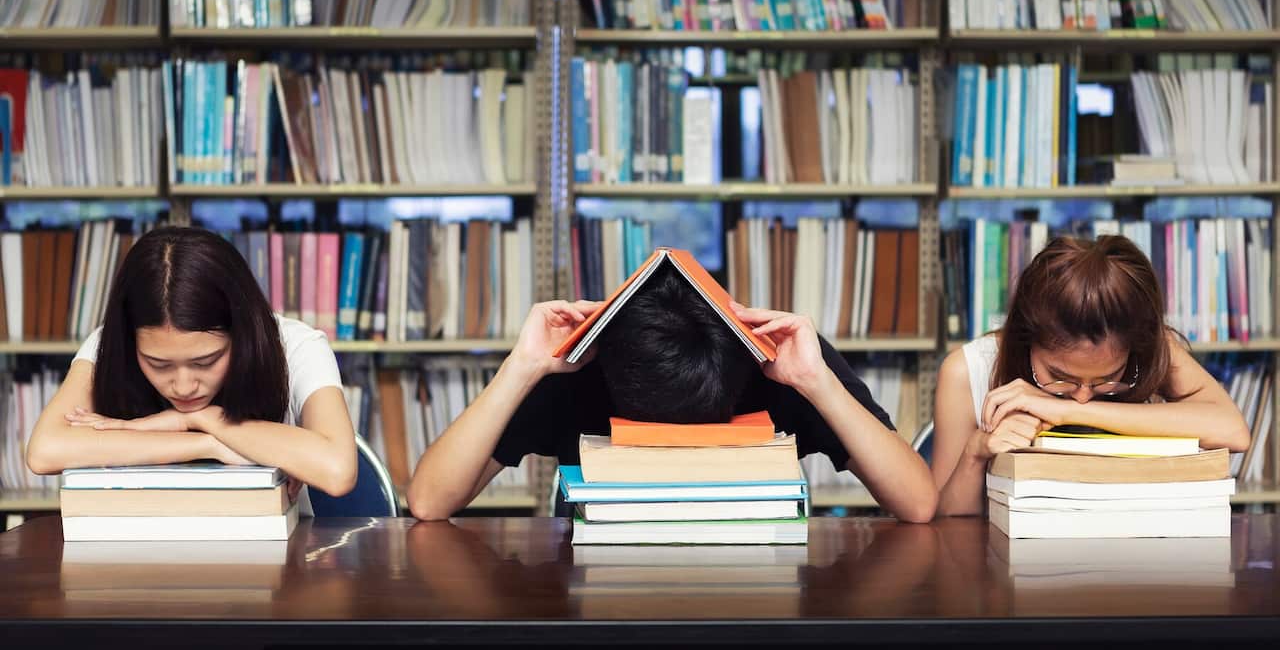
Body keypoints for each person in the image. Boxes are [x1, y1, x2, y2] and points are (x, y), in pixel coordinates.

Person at [407, 262, 937, 522]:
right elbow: (429, 502)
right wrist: (520, 368)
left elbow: (916, 503)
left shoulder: (787, 359)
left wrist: (819, 384)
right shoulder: (577, 369)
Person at [26, 226, 357, 510]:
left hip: (276, 555)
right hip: (141, 553)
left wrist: (201, 418)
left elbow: (337, 469)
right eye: (158, 364)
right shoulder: (111, 344)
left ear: (242, 332)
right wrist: (207, 444)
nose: (183, 386)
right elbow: (45, 451)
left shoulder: (297, 346)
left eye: (206, 362)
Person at [932, 234, 1251, 516]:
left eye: (1107, 379)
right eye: (1059, 376)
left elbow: (1233, 431)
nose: (1083, 395)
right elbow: (945, 524)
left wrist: (1063, 408)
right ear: (1025, 340)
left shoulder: (1148, 347)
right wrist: (976, 452)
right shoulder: (967, 370)